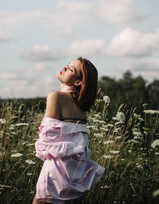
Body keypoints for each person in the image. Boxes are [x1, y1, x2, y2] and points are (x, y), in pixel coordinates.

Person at [33, 57, 105, 204]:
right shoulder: (81, 108)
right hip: (74, 173)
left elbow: (47, 141)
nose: (64, 68)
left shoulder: (55, 97)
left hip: (55, 172)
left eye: (71, 69)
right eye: (67, 65)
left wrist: (52, 101)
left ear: (78, 82)